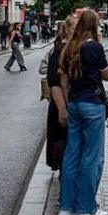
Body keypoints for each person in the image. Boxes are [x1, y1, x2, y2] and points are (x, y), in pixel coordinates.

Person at [58, 9, 108, 215]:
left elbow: (64, 78)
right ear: (94, 25)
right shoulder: (95, 47)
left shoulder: (69, 47)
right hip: (92, 105)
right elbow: (106, 75)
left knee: (71, 155)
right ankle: (87, 208)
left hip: (75, 104)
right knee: (91, 157)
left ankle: (66, 206)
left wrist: (67, 102)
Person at [43, 17, 73, 171]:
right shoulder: (59, 51)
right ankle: (64, 173)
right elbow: (54, 82)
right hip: (61, 105)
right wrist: (62, 108)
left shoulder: (79, 48)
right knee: (63, 141)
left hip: (71, 104)